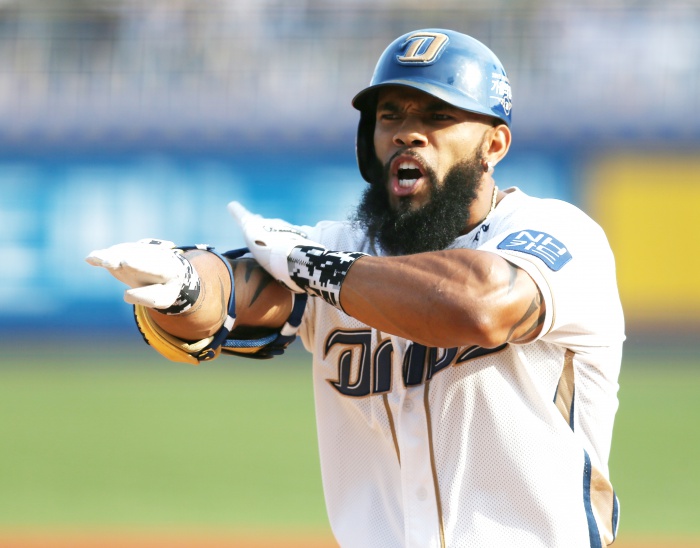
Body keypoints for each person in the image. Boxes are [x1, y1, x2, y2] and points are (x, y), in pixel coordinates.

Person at [87, 29, 625, 548]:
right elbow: (231, 291)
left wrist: (314, 266)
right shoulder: (337, 248)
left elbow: (482, 306)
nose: (408, 133)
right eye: (391, 115)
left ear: (494, 144)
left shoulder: (557, 233)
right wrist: (183, 283)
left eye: (438, 116)